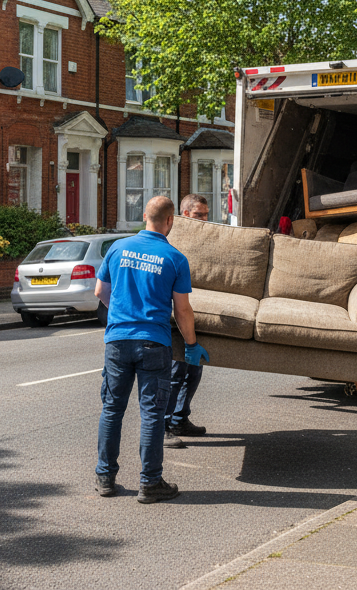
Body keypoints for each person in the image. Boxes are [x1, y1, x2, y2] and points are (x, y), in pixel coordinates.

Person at [93, 196, 209, 503]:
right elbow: (182, 311)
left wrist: (122, 313)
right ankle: (150, 483)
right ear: (171, 221)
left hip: (117, 341)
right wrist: (193, 345)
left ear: (145, 216)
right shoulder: (174, 258)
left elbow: (100, 292)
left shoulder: (117, 248)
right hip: (154, 343)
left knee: (112, 410)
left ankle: (105, 478)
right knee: (152, 415)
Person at [164, 193, 211, 449]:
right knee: (176, 370)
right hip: (175, 313)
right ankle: (164, 424)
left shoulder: (207, 238)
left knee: (195, 369)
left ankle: (181, 418)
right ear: (184, 215)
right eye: (199, 215)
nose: (205, 219)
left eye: (206, 214)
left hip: (194, 310)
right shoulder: (174, 240)